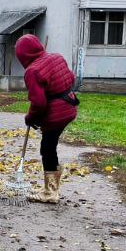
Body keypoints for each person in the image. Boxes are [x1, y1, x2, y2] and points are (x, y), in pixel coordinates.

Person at [15, 34, 78, 204]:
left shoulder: (33, 71)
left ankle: (50, 192)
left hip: (56, 114)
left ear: (22, 55)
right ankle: (51, 189)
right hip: (69, 106)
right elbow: (71, 78)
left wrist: (30, 117)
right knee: (50, 147)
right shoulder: (56, 57)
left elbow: (39, 102)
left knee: (48, 149)